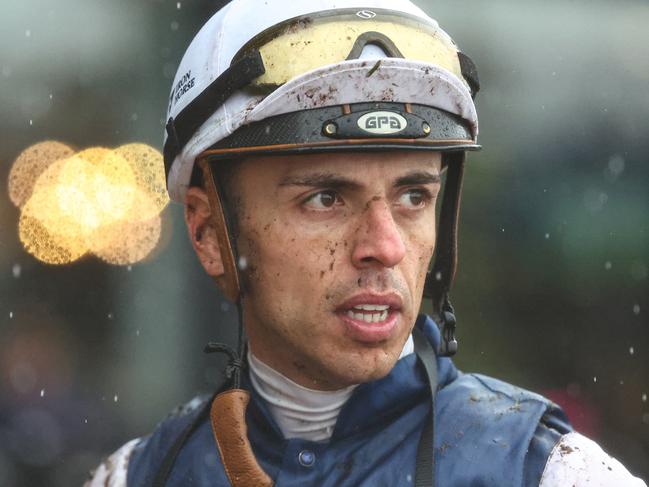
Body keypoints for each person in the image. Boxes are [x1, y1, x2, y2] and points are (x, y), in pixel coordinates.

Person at [86, 0, 647, 485]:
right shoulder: (139, 475)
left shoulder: (551, 472)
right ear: (208, 233)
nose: (386, 247)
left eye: (413, 197)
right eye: (326, 199)